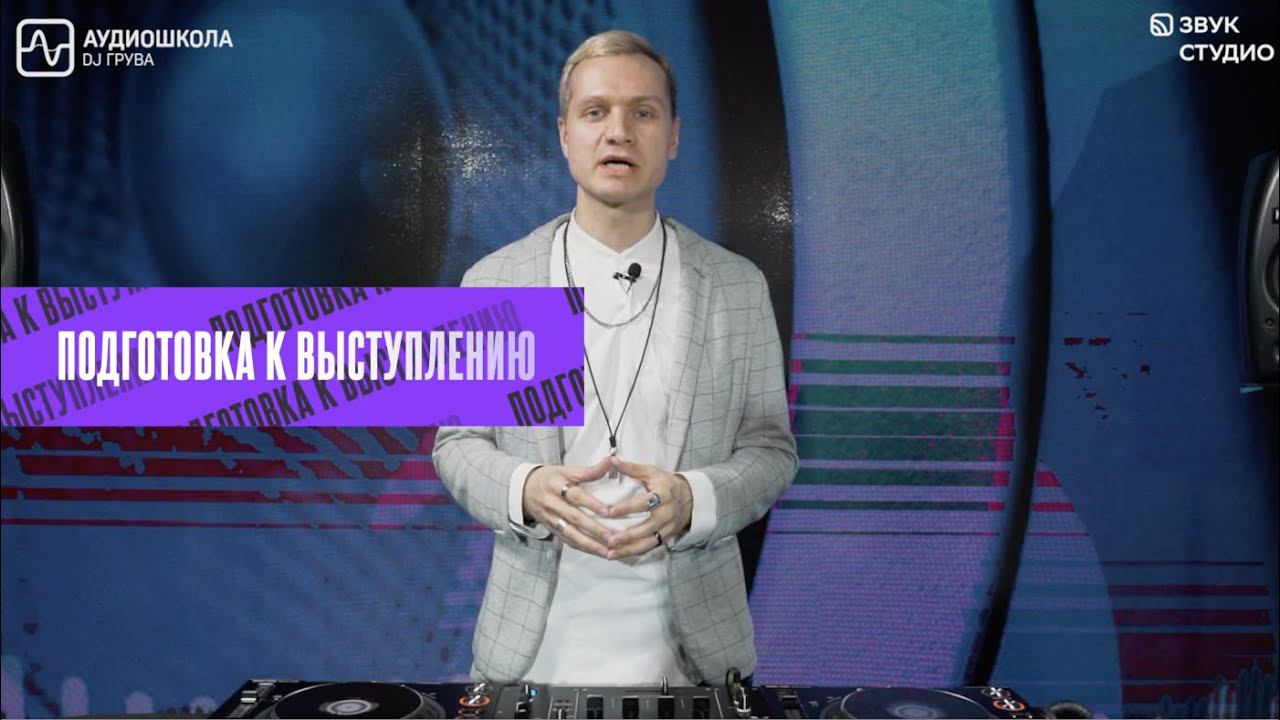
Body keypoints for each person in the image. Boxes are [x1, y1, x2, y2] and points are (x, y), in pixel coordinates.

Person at [433, 30, 797, 686]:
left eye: (643, 112)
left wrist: (694, 499)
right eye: (595, 111)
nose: (618, 132)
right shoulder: (501, 282)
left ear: (674, 136)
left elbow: (771, 452)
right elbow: (458, 445)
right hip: (531, 658)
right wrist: (526, 488)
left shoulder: (734, 285)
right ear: (565, 134)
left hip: (694, 663)